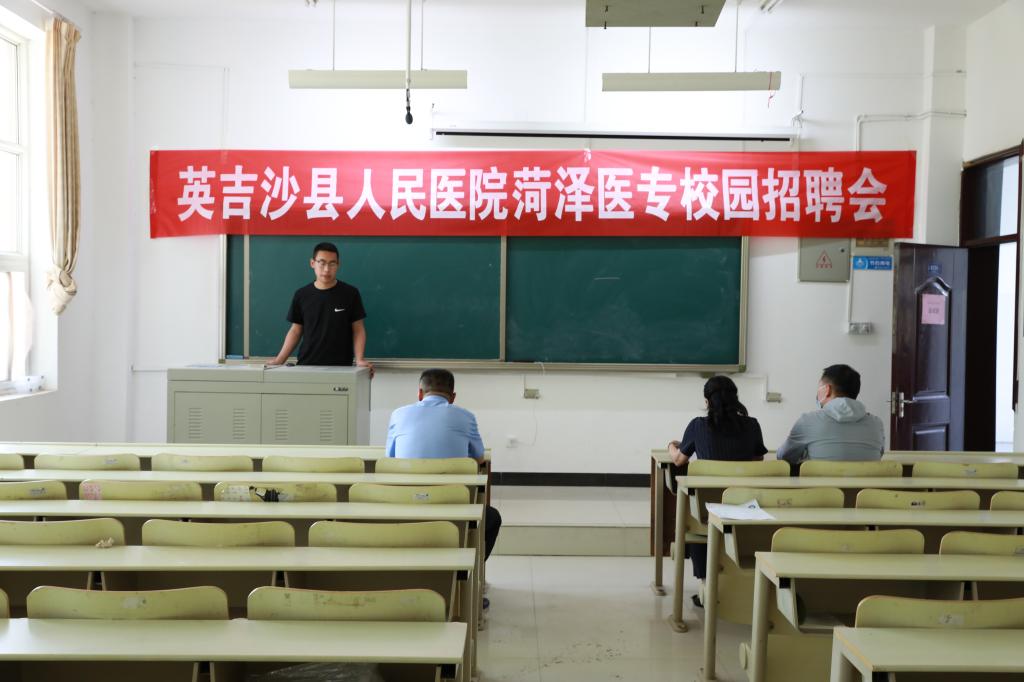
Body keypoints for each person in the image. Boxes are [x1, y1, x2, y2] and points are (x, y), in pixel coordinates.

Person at [386, 368, 502, 607]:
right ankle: (466, 583)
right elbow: (479, 458)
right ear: (453, 396)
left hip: (405, 505)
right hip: (451, 506)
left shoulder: (398, 414)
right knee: (491, 518)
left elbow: (391, 458)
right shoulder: (465, 416)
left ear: (420, 393)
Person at [667, 375, 767, 607]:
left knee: (695, 520)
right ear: (735, 398)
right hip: (743, 505)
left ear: (707, 401)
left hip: (707, 509)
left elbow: (679, 460)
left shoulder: (698, 425)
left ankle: (706, 584)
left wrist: (671, 446)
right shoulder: (752, 425)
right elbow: (757, 460)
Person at [268, 242, 374, 376]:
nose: (326, 269)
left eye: (332, 263)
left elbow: (358, 329)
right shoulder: (301, 295)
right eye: (322, 263)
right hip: (306, 366)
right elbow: (295, 331)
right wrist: (279, 360)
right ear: (312, 263)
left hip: (341, 368)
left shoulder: (350, 293)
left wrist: (359, 359)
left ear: (338, 264)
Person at [776, 364, 885, 464]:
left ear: (827, 390)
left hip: (819, 480)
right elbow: (879, 455)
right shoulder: (877, 424)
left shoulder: (807, 421)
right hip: (865, 480)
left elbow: (783, 457)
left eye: (819, 389)